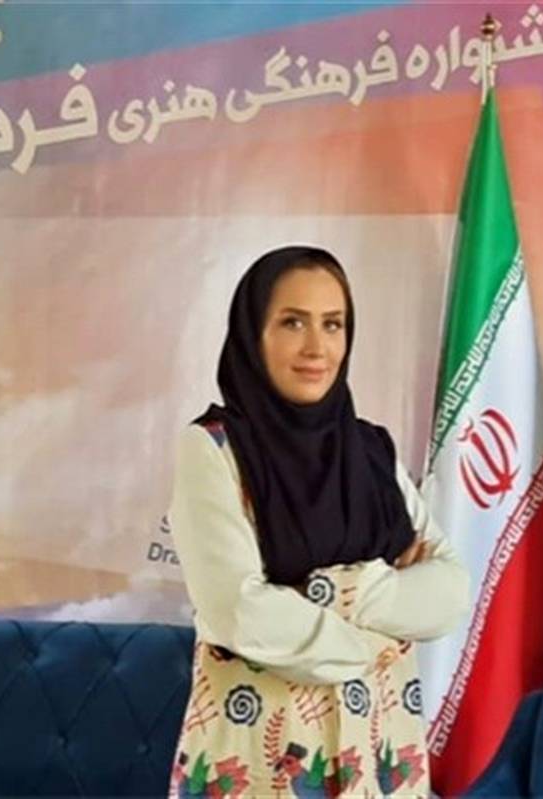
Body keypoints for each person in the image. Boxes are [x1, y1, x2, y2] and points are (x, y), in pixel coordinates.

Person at [167, 246, 470, 798]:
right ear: (253, 334)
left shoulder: (371, 451)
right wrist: (375, 638)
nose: (316, 347)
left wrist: (343, 594)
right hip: (259, 760)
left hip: (379, 752)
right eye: (292, 322)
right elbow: (238, 611)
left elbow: (450, 590)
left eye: (333, 324)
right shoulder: (214, 449)